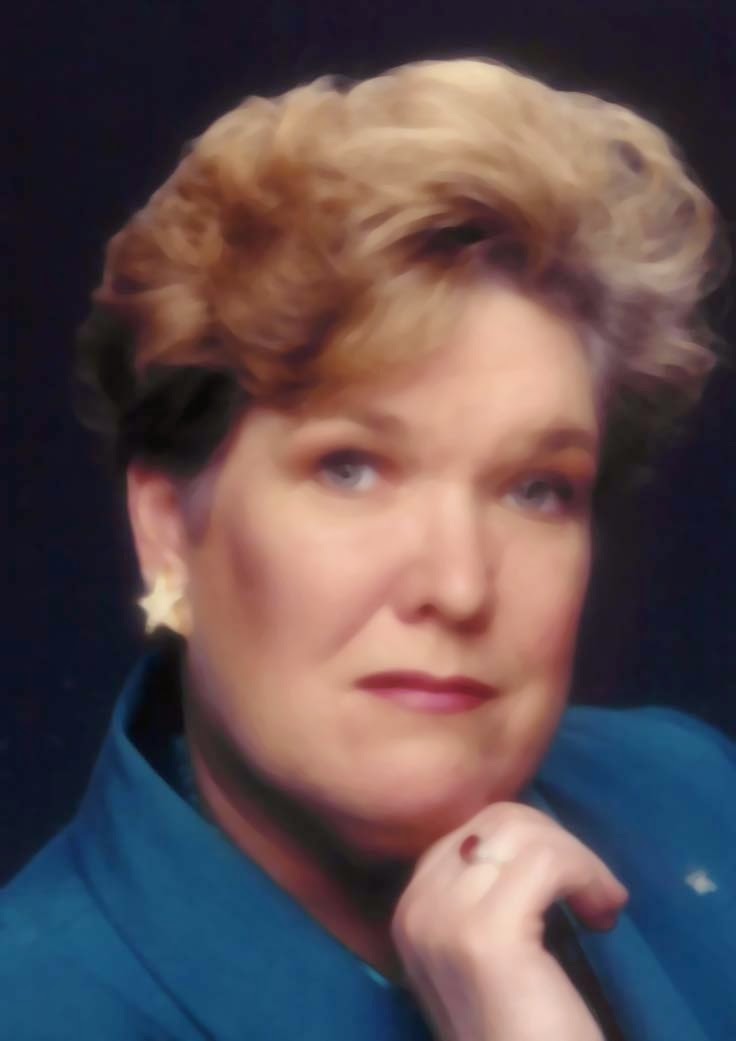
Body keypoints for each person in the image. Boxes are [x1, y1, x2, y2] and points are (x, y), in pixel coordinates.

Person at [2, 56, 734, 1041]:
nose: (459, 585)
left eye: (536, 488)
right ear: (168, 526)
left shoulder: (691, 794)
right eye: (351, 468)